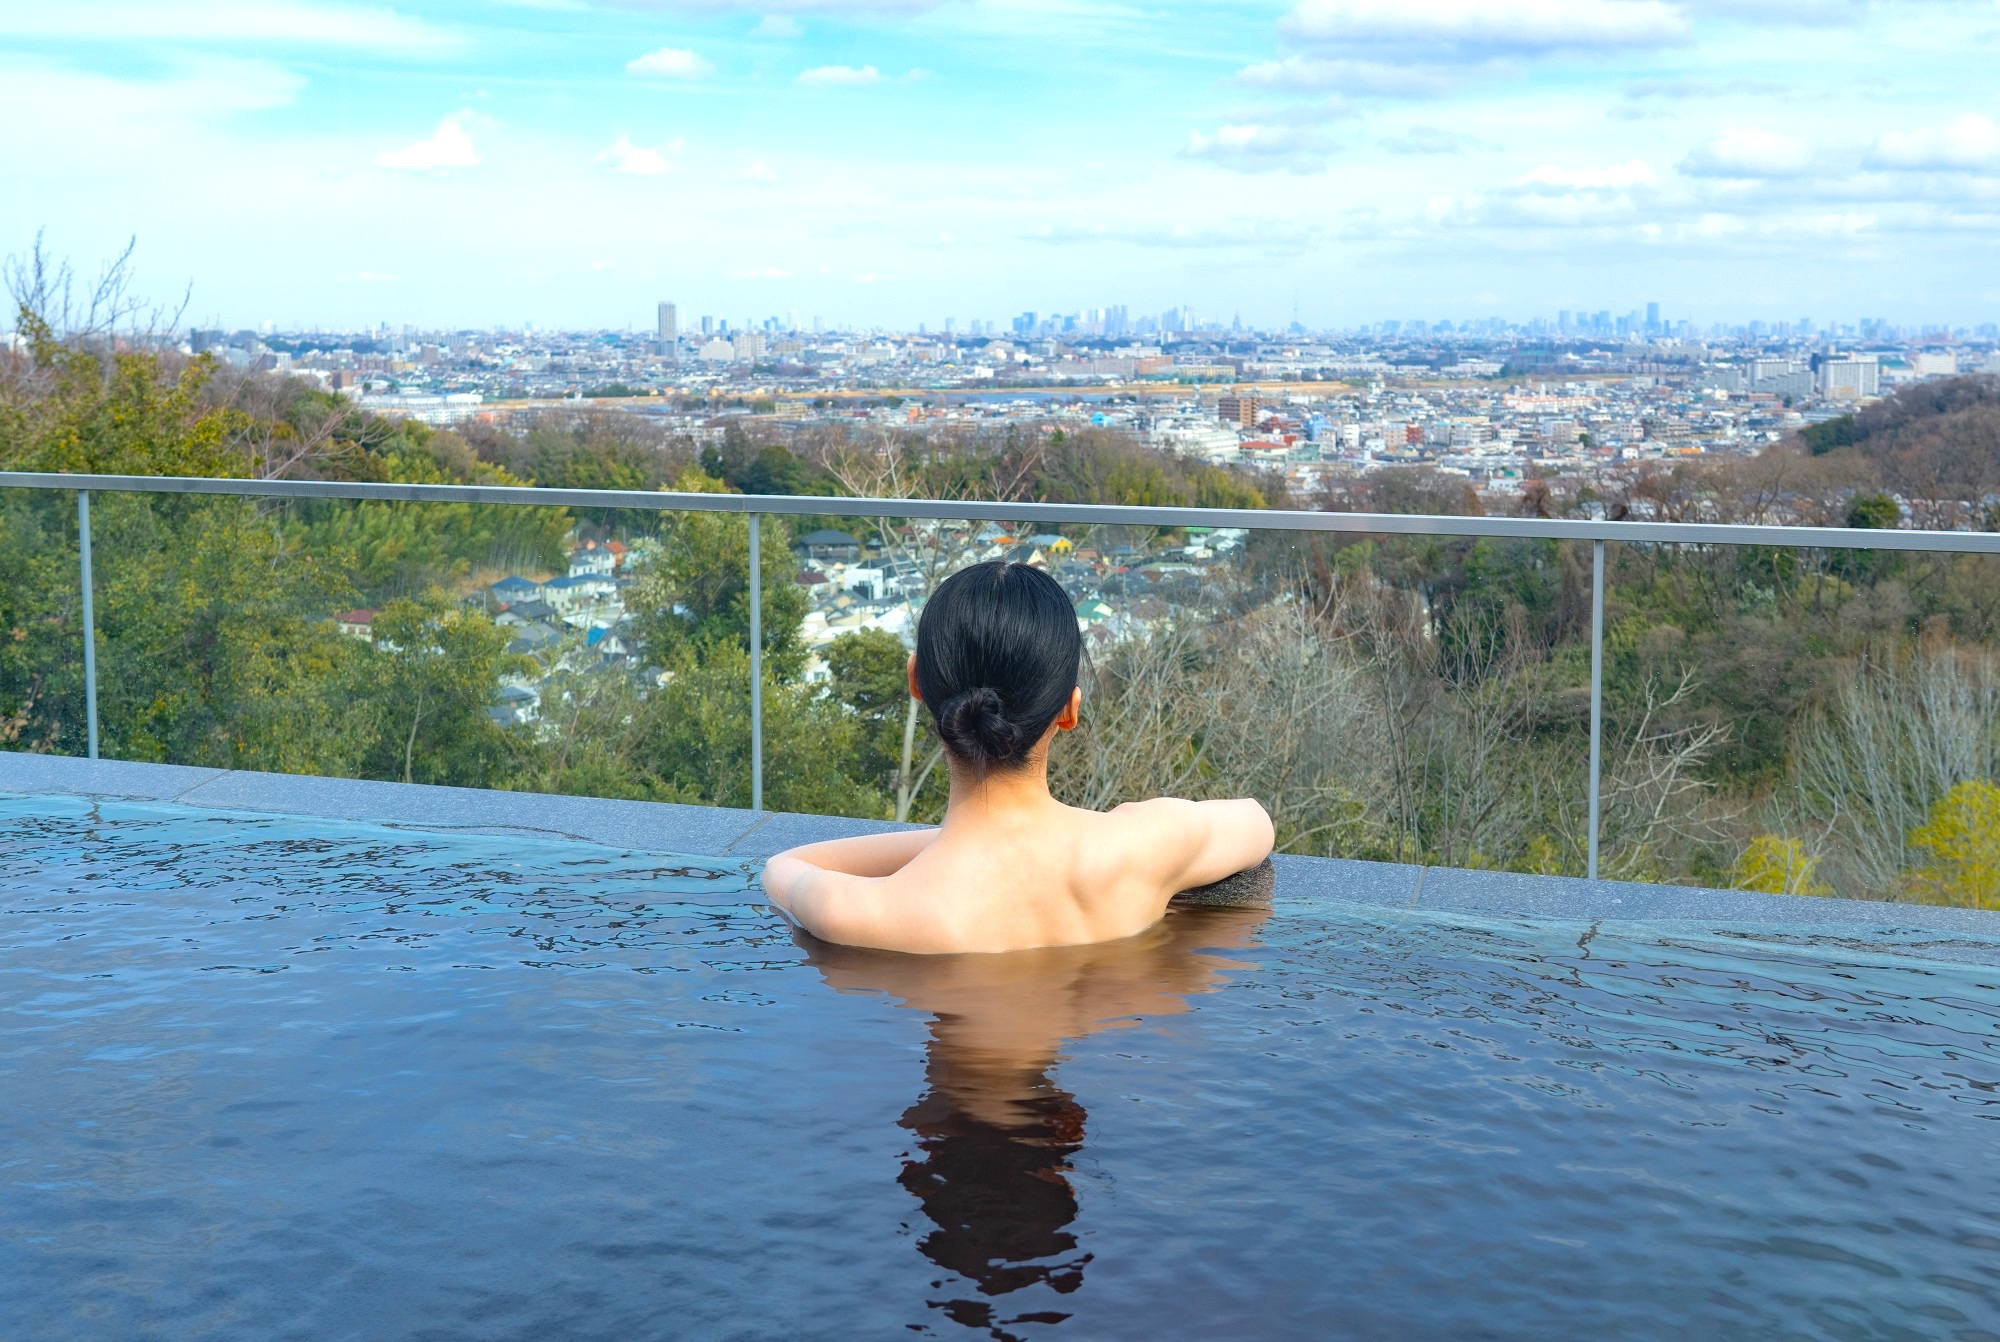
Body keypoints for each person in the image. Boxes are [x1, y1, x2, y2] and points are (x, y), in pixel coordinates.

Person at [762, 560, 1274, 954]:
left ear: (916, 681)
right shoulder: (1144, 846)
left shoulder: (853, 911)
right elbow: (1256, 823)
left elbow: (784, 867)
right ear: (1069, 711)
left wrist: (953, 838)